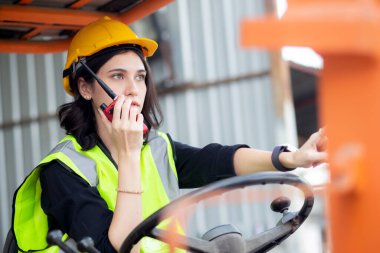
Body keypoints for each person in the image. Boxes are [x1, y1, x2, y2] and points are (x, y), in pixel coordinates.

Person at [11, 16, 327, 253]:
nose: (133, 90)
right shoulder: (62, 171)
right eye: (117, 77)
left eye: (139, 77)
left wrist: (290, 157)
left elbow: (215, 160)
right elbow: (118, 247)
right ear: (85, 87)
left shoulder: (157, 147)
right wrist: (129, 154)